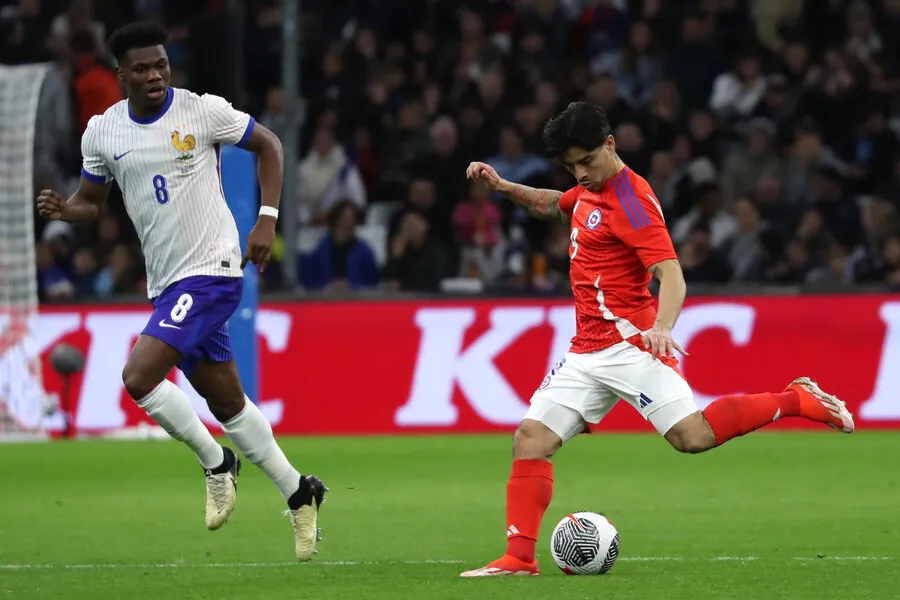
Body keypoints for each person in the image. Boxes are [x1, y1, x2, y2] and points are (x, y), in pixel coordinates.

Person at [459, 102, 854, 578]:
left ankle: (795, 399)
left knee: (692, 437)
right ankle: (519, 558)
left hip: (633, 343)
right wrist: (503, 187)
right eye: (571, 166)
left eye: (586, 161)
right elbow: (552, 204)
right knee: (530, 439)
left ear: (610, 145)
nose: (580, 173)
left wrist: (662, 327)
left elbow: (670, 273)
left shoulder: (632, 201)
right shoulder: (586, 192)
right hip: (586, 350)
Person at [35, 22, 326, 561]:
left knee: (138, 376)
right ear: (120, 75)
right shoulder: (103, 132)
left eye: (161, 65)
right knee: (227, 401)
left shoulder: (201, 110)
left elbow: (270, 145)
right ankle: (298, 490)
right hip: (166, 282)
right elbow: (90, 201)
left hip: (213, 269)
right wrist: (64, 209)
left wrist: (266, 220)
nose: (154, 76)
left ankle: (217, 464)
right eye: (142, 69)